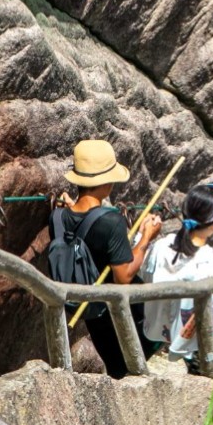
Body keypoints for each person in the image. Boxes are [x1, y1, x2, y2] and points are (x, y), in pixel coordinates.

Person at [52, 139, 160, 378]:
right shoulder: (111, 221)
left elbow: (80, 233)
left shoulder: (58, 217)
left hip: (88, 308)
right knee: (136, 359)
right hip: (117, 310)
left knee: (114, 364)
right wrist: (145, 238)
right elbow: (123, 276)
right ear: (107, 182)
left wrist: (69, 206)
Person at [143, 183, 213, 372]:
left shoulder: (160, 247)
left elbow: (144, 272)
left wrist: (141, 238)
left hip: (180, 341)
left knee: (200, 384)